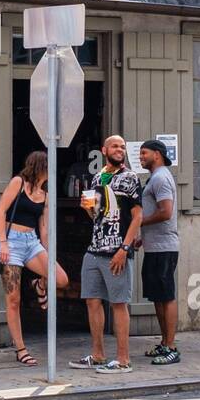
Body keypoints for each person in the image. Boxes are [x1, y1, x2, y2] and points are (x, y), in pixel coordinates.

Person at [69, 135, 142, 375]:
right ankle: (98, 354)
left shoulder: (130, 178)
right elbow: (96, 216)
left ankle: (123, 360)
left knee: (119, 303)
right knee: (92, 300)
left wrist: (125, 248)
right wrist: (88, 209)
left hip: (116, 250)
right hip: (94, 248)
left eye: (122, 146)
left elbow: (137, 216)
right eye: (115, 146)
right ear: (104, 150)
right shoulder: (97, 178)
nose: (120, 150)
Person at [0, 150, 67, 366]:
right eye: (49, 167)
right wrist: (4, 243)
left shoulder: (45, 194)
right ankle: (21, 349)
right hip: (12, 242)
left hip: (32, 242)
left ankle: (39, 285)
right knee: (13, 300)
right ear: (40, 167)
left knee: (60, 278)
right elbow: (0, 211)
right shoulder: (18, 182)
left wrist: (48, 253)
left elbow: (43, 229)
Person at [138, 140, 180, 365]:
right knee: (156, 295)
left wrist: (141, 221)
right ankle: (164, 343)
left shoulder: (161, 178)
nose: (140, 157)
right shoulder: (155, 178)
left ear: (158, 154)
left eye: (144, 153)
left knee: (166, 295)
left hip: (165, 247)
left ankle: (172, 346)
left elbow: (166, 212)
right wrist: (141, 237)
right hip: (154, 246)